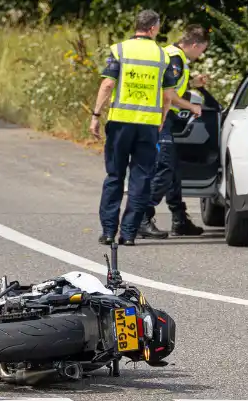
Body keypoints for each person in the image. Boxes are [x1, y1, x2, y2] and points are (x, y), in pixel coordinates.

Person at [89, 9, 180, 246]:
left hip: (120, 124)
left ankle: (109, 231)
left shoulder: (119, 50)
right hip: (148, 126)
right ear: (153, 28)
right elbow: (168, 96)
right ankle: (128, 234)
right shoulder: (163, 56)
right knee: (141, 179)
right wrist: (161, 120)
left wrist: (96, 115)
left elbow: (108, 84)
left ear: (137, 26)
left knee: (115, 176)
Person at [138, 25, 211, 239]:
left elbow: (172, 84)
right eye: (202, 50)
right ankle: (142, 217)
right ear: (195, 45)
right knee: (164, 168)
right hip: (160, 118)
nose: (201, 55)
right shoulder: (175, 57)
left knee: (174, 171)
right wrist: (192, 107)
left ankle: (179, 219)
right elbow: (167, 94)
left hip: (163, 117)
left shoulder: (174, 56)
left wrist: (192, 82)